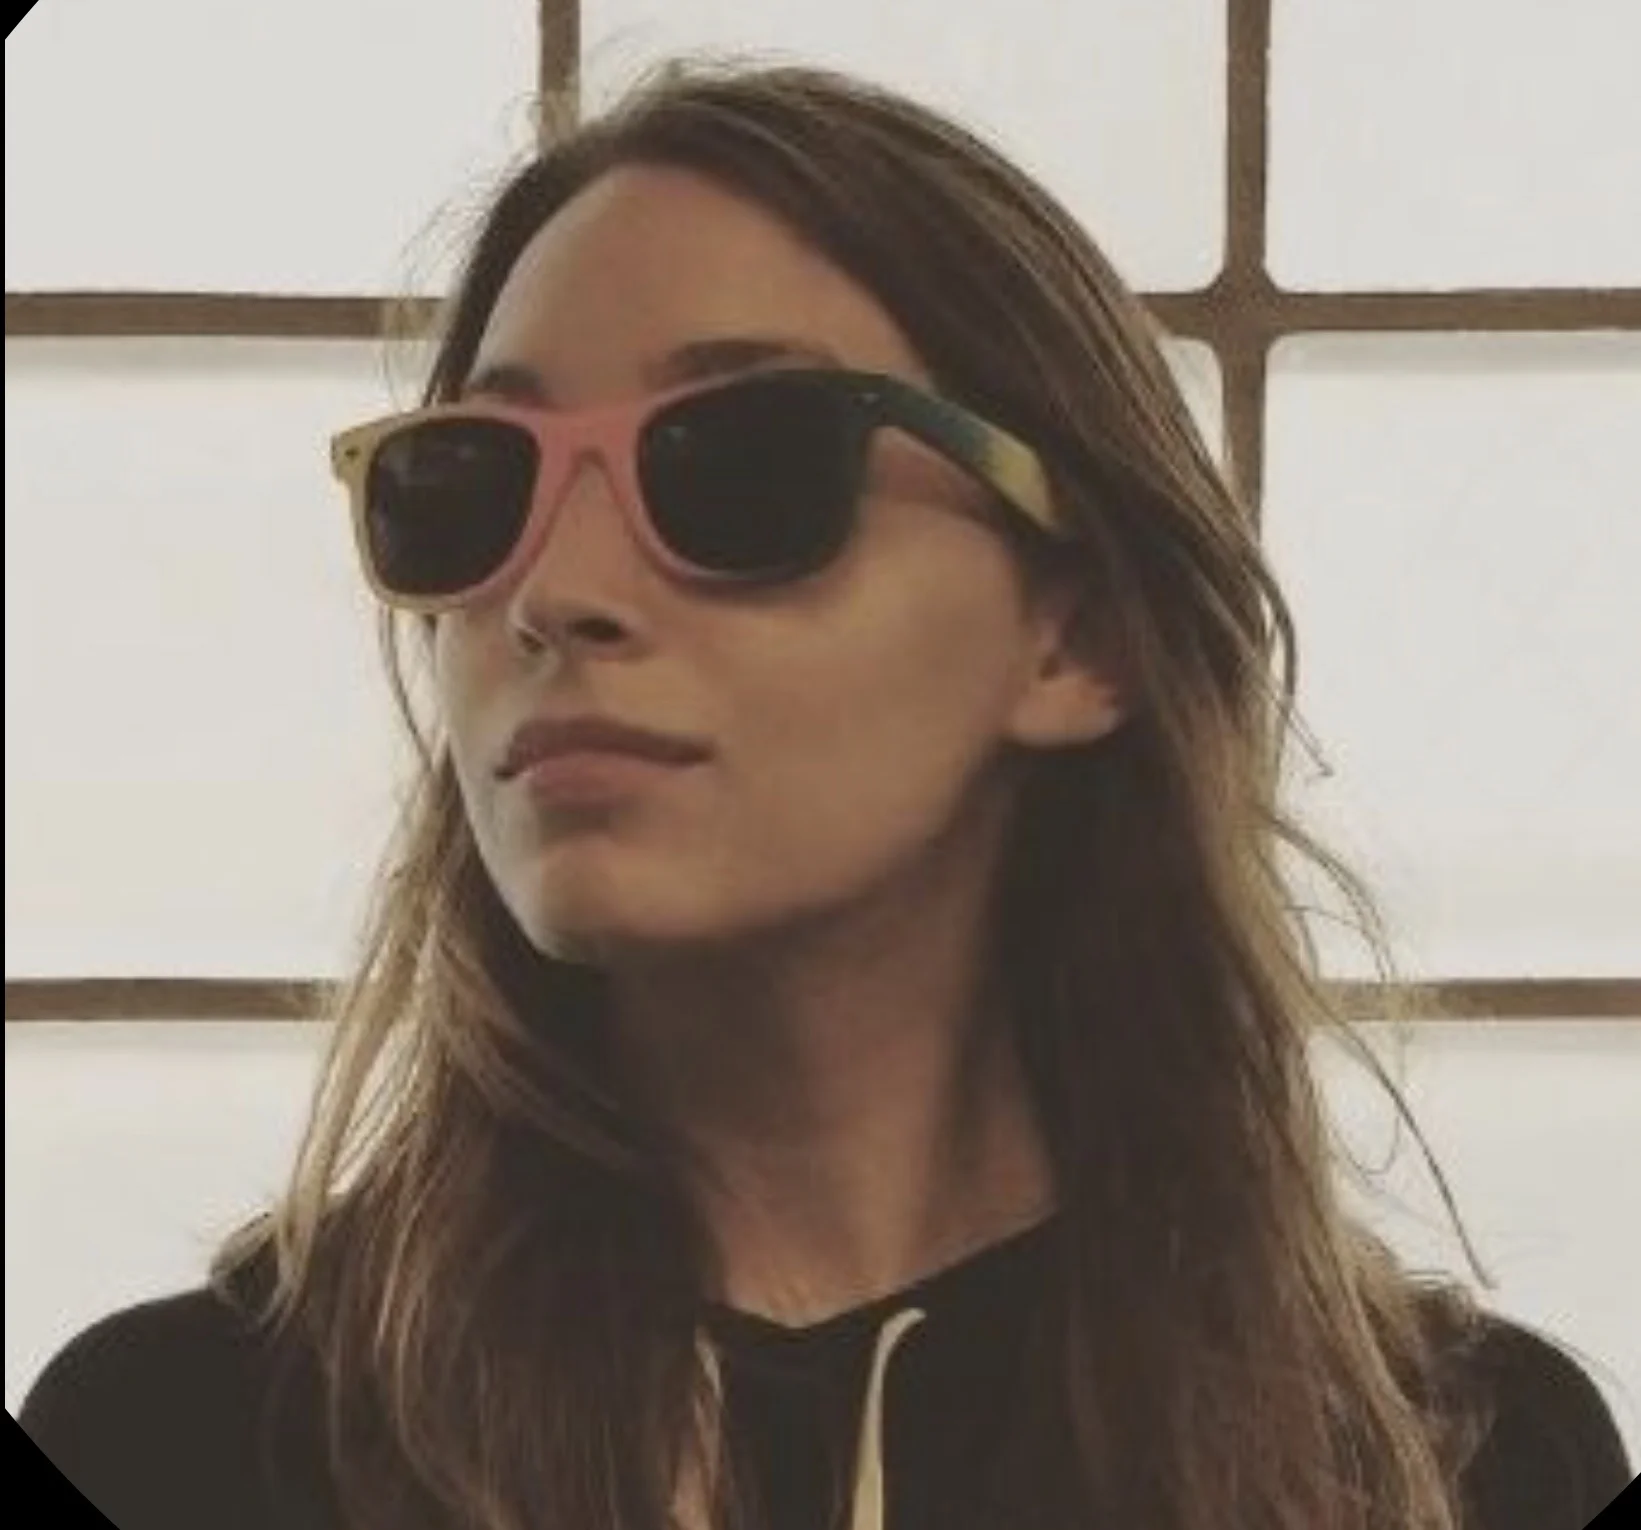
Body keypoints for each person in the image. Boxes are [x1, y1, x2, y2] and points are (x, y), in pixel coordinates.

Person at [17, 60, 1633, 1530]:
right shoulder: (177, 1450)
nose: (556, 593)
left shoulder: (1470, 1468)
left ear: (1077, 632)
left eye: (742, 466)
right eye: (471, 486)